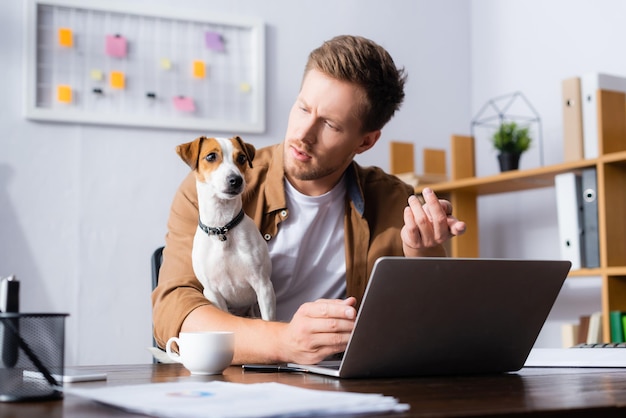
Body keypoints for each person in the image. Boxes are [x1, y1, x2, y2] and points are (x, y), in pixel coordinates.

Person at [152, 35, 466, 365]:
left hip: (347, 392)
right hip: (238, 386)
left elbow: (433, 326)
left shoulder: (394, 202)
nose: (303, 133)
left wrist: (424, 251)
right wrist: (282, 342)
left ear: (366, 141)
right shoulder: (214, 186)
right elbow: (173, 310)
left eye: (329, 124)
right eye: (303, 108)